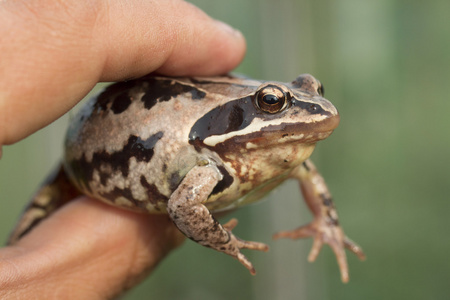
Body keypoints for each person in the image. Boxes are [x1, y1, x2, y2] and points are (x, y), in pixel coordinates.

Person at [0, 0, 246, 298]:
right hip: (87, 158)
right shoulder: (208, 164)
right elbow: (183, 207)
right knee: (23, 237)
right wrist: (225, 240)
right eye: (271, 103)